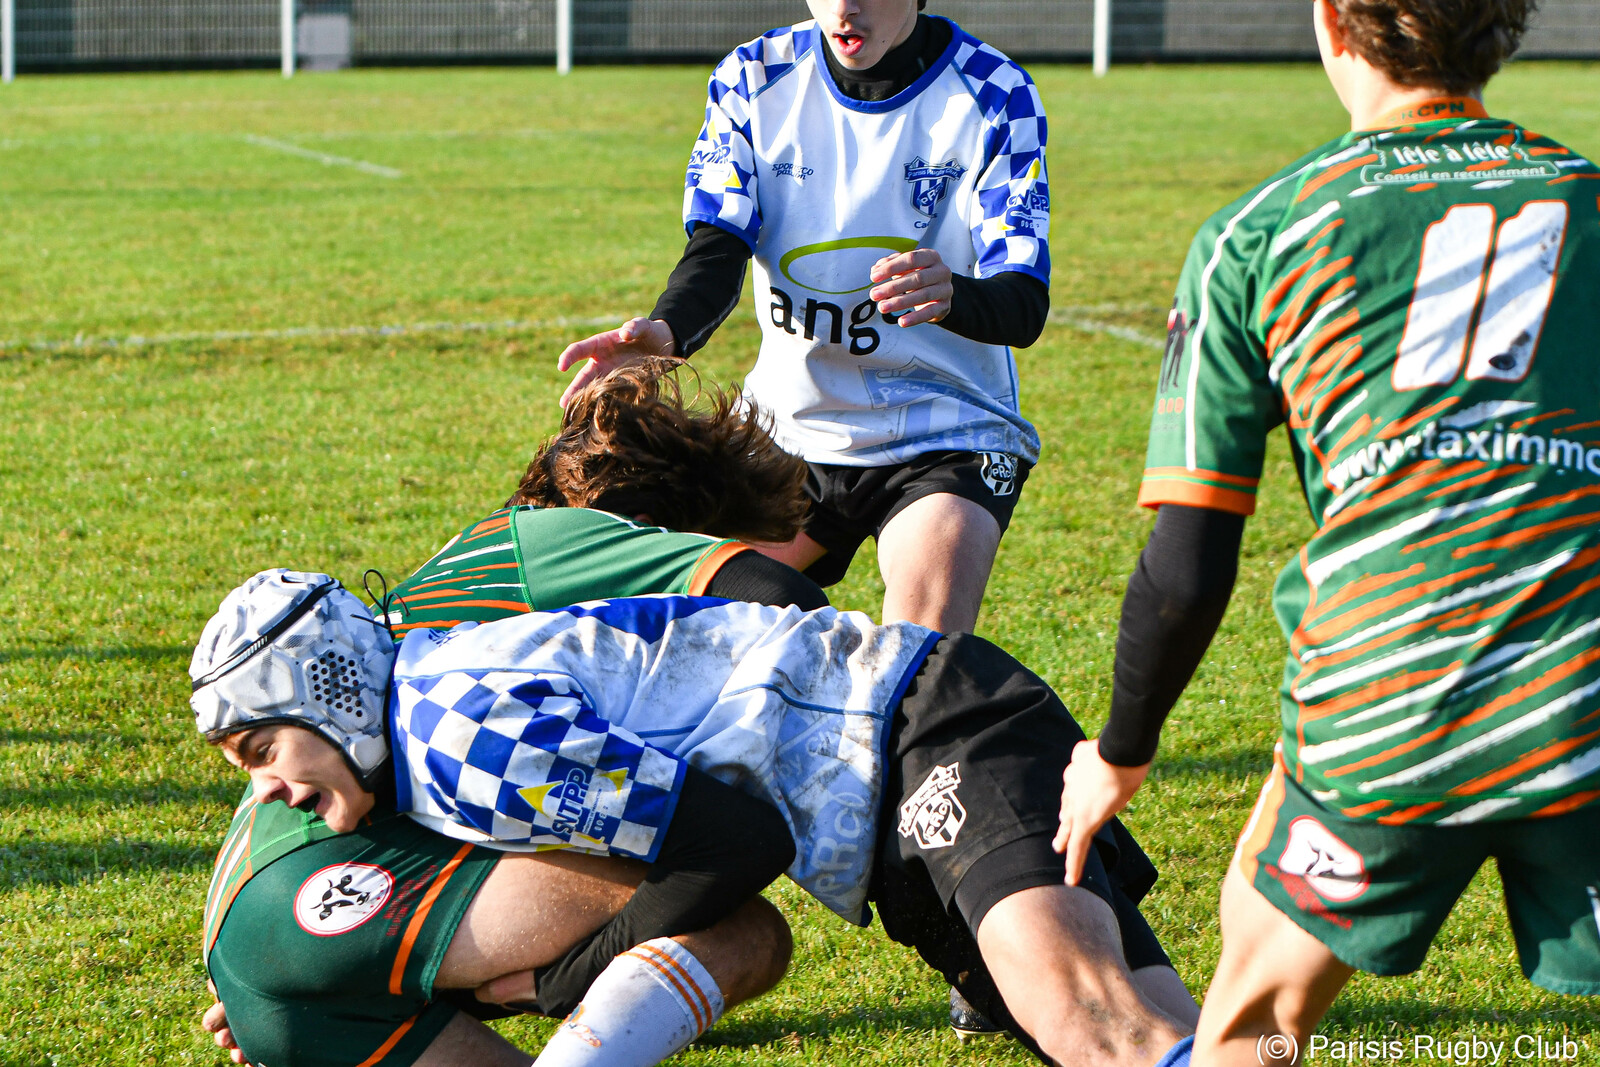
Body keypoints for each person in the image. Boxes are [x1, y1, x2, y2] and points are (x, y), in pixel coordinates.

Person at [1054, 1, 1600, 1062]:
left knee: (1249, 1021)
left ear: (1329, 24)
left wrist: (1119, 750)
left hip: (1383, 704)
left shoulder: (1256, 236)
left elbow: (1184, 563)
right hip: (1583, 702)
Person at [193, 571, 1199, 1067]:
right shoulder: (423, 732)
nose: (268, 787)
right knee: (1187, 1037)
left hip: (918, 724)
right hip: (883, 792)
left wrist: (557, 979)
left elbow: (735, 840)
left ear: (319, 688)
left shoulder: (458, 734)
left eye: (258, 750)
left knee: (1094, 1021)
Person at [555, 0, 1051, 639]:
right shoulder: (755, 77)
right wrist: (668, 333)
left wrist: (953, 293)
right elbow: (719, 244)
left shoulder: (993, 92)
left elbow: (1023, 305)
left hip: (944, 430)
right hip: (789, 430)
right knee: (696, 644)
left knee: (915, 665)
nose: (846, 7)